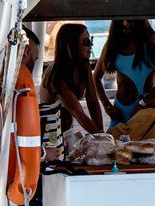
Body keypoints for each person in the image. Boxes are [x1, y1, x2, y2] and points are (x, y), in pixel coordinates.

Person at [43, 23, 110, 165]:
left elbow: (92, 101)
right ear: (71, 45)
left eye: (90, 40)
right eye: (86, 42)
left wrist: (101, 135)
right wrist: (103, 140)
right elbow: (78, 113)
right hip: (48, 135)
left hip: (66, 132)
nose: (90, 45)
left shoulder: (83, 66)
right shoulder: (57, 75)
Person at [94, 18, 155, 126]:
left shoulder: (151, 41)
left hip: (146, 108)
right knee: (113, 143)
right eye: (122, 20)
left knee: (145, 144)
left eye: (131, 20)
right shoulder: (113, 42)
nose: (126, 23)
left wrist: (141, 104)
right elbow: (96, 77)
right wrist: (107, 106)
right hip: (119, 111)